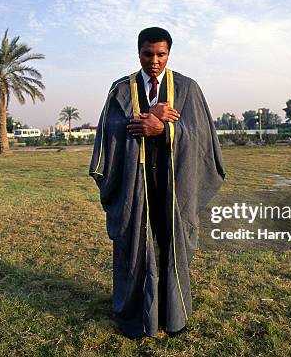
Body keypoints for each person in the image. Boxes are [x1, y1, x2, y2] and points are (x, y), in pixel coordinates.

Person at [89, 27, 225, 339]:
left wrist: (162, 129)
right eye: (148, 54)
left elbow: (201, 139)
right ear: (138, 53)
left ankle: (172, 315)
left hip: (174, 186)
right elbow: (108, 136)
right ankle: (137, 316)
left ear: (169, 54)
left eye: (161, 54)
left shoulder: (188, 89)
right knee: (136, 247)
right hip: (134, 187)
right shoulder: (122, 90)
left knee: (171, 244)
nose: (154, 61)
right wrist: (147, 115)